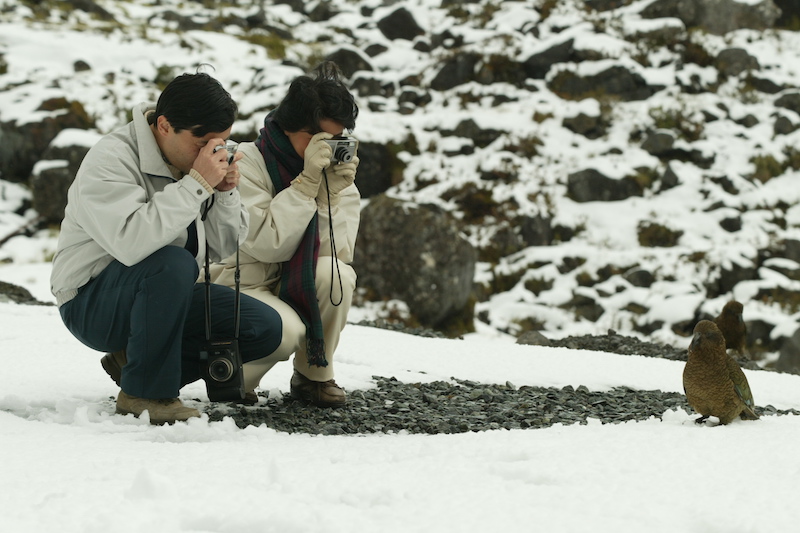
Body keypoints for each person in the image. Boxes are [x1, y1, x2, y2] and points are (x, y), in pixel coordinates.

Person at [50, 71, 283, 424]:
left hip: (160, 295)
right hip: (91, 302)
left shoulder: (192, 164)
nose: (212, 153)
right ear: (163, 126)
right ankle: (144, 393)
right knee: (173, 263)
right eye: (202, 142)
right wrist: (197, 184)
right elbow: (131, 244)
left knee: (263, 326)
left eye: (221, 143)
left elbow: (223, 248)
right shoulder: (111, 159)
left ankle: (136, 366)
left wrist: (225, 194)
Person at [209, 62, 360, 407]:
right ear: (291, 127)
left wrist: (328, 197)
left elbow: (338, 253)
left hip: (292, 282)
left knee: (335, 275)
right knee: (286, 328)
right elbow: (266, 243)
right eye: (320, 138)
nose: (330, 147)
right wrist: (306, 186)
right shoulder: (247, 161)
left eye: (339, 139)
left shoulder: (337, 178)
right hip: (241, 283)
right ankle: (235, 379)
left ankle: (314, 376)